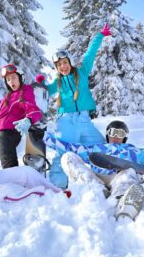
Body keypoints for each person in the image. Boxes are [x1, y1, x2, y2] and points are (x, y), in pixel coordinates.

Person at [44, 120, 144, 220]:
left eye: (120, 132)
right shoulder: (96, 147)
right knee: (68, 156)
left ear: (125, 136)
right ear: (107, 134)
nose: (116, 135)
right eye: (112, 132)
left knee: (129, 172)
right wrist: (43, 136)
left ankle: (121, 200)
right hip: (95, 178)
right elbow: (67, 146)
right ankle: (97, 191)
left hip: (119, 178)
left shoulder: (134, 152)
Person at [35, 23, 113, 188]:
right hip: (66, 121)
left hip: (84, 120)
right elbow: (46, 92)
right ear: (56, 68)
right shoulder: (58, 82)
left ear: (69, 62)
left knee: (101, 148)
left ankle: (108, 178)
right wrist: (41, 85)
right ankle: (57, 186)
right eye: (59, 65)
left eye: (64, 62)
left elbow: (90, 53)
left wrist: (100, 35)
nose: (63, 66)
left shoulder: (82, 72)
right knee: (63, 152)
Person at [0, 63, 43, 169]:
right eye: (8, 79)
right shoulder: (6, 97)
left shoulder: (25, 91)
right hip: (0, 134)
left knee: (3, 138)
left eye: (14, 77)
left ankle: (12, 177)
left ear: (20, 78)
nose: (11, 81)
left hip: (12, 132)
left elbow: (34, 110)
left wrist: (28, 119)